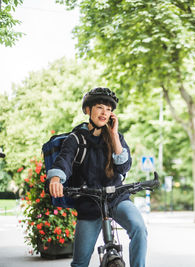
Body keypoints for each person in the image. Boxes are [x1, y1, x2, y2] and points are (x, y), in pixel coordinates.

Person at [48, 87, 147, 267]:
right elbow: (64, 160)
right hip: (89, 202)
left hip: (117, 198)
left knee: (139, 228)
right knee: (80, 262)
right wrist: (56, 178)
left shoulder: (116, 137)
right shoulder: (76, 138)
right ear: (88, 110)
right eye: (100, 107)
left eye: (108, 110)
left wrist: (115, 135)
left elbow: (124, 166)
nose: (104, 113)